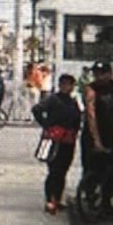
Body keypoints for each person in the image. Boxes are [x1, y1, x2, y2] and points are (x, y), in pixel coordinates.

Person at [81, 61, 113, 211]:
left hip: (108, 134)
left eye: (102, 73)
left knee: (111, 169)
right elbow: (91, 115)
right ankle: (90, 199)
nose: (99, 77)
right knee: (93, 168)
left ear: (109, 74)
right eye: (96, 73)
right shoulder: (91, 90)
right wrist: (96, 141)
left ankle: (107, 202)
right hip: (92, 134)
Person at [32, 73, 81, 215]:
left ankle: (58, 199)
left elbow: (77, 119)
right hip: (54, 141)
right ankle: (50, 200)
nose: (67, 87)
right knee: (54, 171)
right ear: (60, 85)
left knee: (63, 171)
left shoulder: (73, 101)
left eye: (69, 84)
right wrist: (47, 126)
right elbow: (36, 110)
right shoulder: (53, 99)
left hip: (69, 140)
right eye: (64, 84)